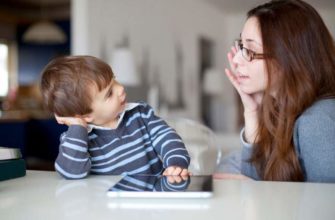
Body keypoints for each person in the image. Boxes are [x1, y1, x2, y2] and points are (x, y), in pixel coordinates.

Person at [215, 0, 335, 182]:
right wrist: (252, 111)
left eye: (250, 50)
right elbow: (260, 187)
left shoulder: (317, 120)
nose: (237, 60)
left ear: (288, 58)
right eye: (241, 46)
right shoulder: (281, 111)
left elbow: (325, 207)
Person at [40, 55, 190, 179]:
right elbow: (71, 172)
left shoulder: (140, 114)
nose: (120, 88)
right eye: (109, 93)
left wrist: (175, 163)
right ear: (86, 116)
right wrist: (78, 126)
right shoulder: (77, 140)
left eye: (114, 80)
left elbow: (167, 137)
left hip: (151, 202)